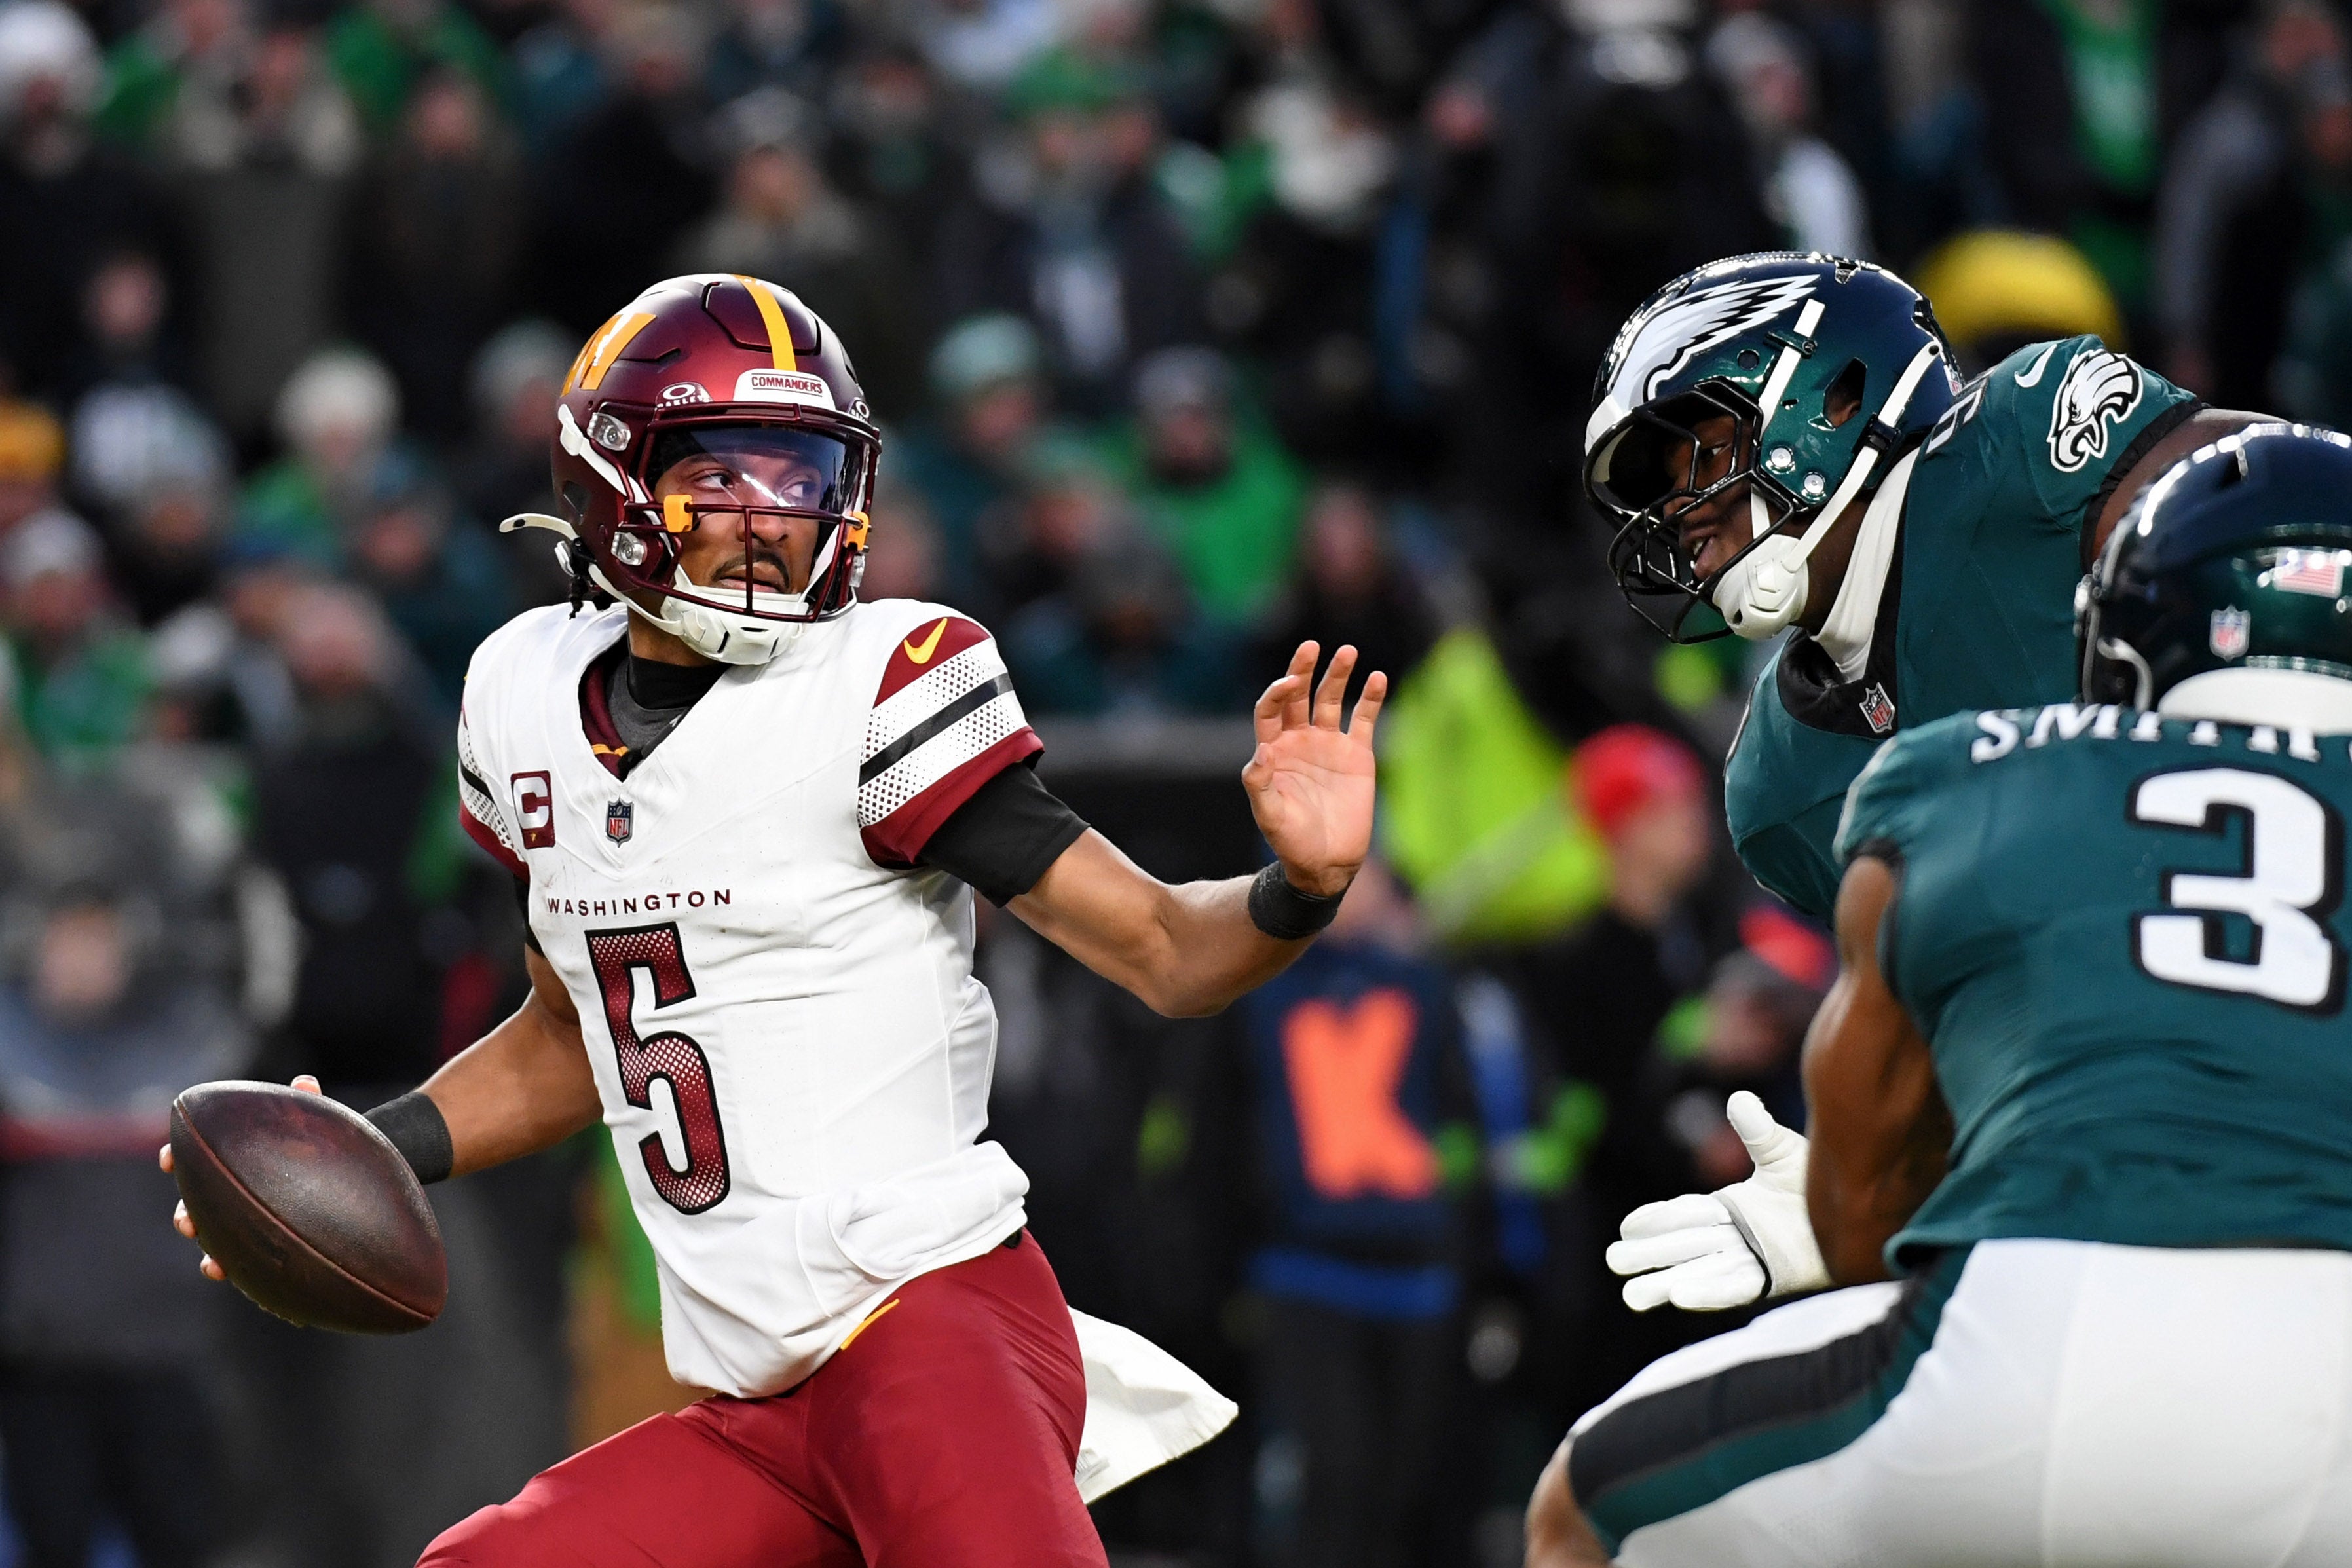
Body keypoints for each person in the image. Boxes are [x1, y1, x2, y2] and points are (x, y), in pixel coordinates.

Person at [166, 274, 1385, 1567]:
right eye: (725, 479)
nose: (772, 521)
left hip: (929, 1320)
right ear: (611, 485)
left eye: (803, 480)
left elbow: (1164, 952)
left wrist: (1293, 887)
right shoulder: (520, 699)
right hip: (759, 1395)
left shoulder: (880, 684)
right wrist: (367, 1147)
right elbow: (581, 1029)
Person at [1527, 421, 2352, 1566]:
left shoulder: (1973, 771)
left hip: (2071, 1332)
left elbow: (1869, 1202)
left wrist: (1833, 1218)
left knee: (1589, 1503)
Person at [1586, 250, 2260, 920]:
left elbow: (2286, 487)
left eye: (1700, 456)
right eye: (1664, 493)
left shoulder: (2014, 446)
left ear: (1837, 398)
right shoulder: (1779, 782)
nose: (1676, 514)